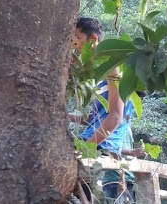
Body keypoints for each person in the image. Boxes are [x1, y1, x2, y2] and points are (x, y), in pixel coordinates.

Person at [69, 17, 137, 202]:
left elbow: (115, 117)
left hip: (103, 147)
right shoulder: (96, 74)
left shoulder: (113, 70)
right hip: (89, 142)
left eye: (77, 38)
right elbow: (94, 118)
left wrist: (85, 148)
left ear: (92, 39)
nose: (74, 44)